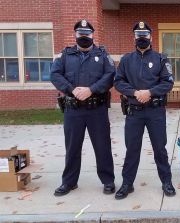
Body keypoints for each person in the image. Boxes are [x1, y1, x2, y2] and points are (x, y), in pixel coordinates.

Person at [50, 19, 116, 196]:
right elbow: (55, 75)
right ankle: (69, 182)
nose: (84, 37)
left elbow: (111, 75)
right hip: (73, 110)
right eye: (81, 34)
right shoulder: (65, 55)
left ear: (93, 35)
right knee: (72, 147)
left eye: (87, 34)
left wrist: (91, 90)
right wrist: (72, 90)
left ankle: (108, 180)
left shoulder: (102, 55)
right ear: (76, 35)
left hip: (97, 110)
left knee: (102, 146)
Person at [113, 21, 176, 200]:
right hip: (134, 112)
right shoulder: (126, 60)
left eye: (145, 35)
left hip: (155, 111)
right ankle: (127, 183)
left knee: (160, 148)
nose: (142, 38)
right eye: (139, 35)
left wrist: (149, 92)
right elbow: (118, 81)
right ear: (134, 37)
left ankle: (166, 181)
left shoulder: (161, 59)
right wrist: (134, 93)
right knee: (132, 148)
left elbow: (167, 82)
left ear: (150, 37)